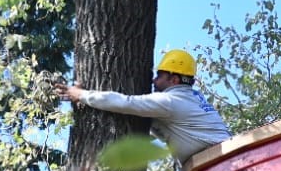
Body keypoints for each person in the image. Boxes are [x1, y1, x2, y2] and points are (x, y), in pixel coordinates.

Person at [56, 49, 233, 163]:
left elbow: (125, 103)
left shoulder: (170, 103)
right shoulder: (192, 99)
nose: (154, 80)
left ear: (174, 79)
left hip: (220, 163)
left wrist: (80, 95)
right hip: (223, 161)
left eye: (160, 75)